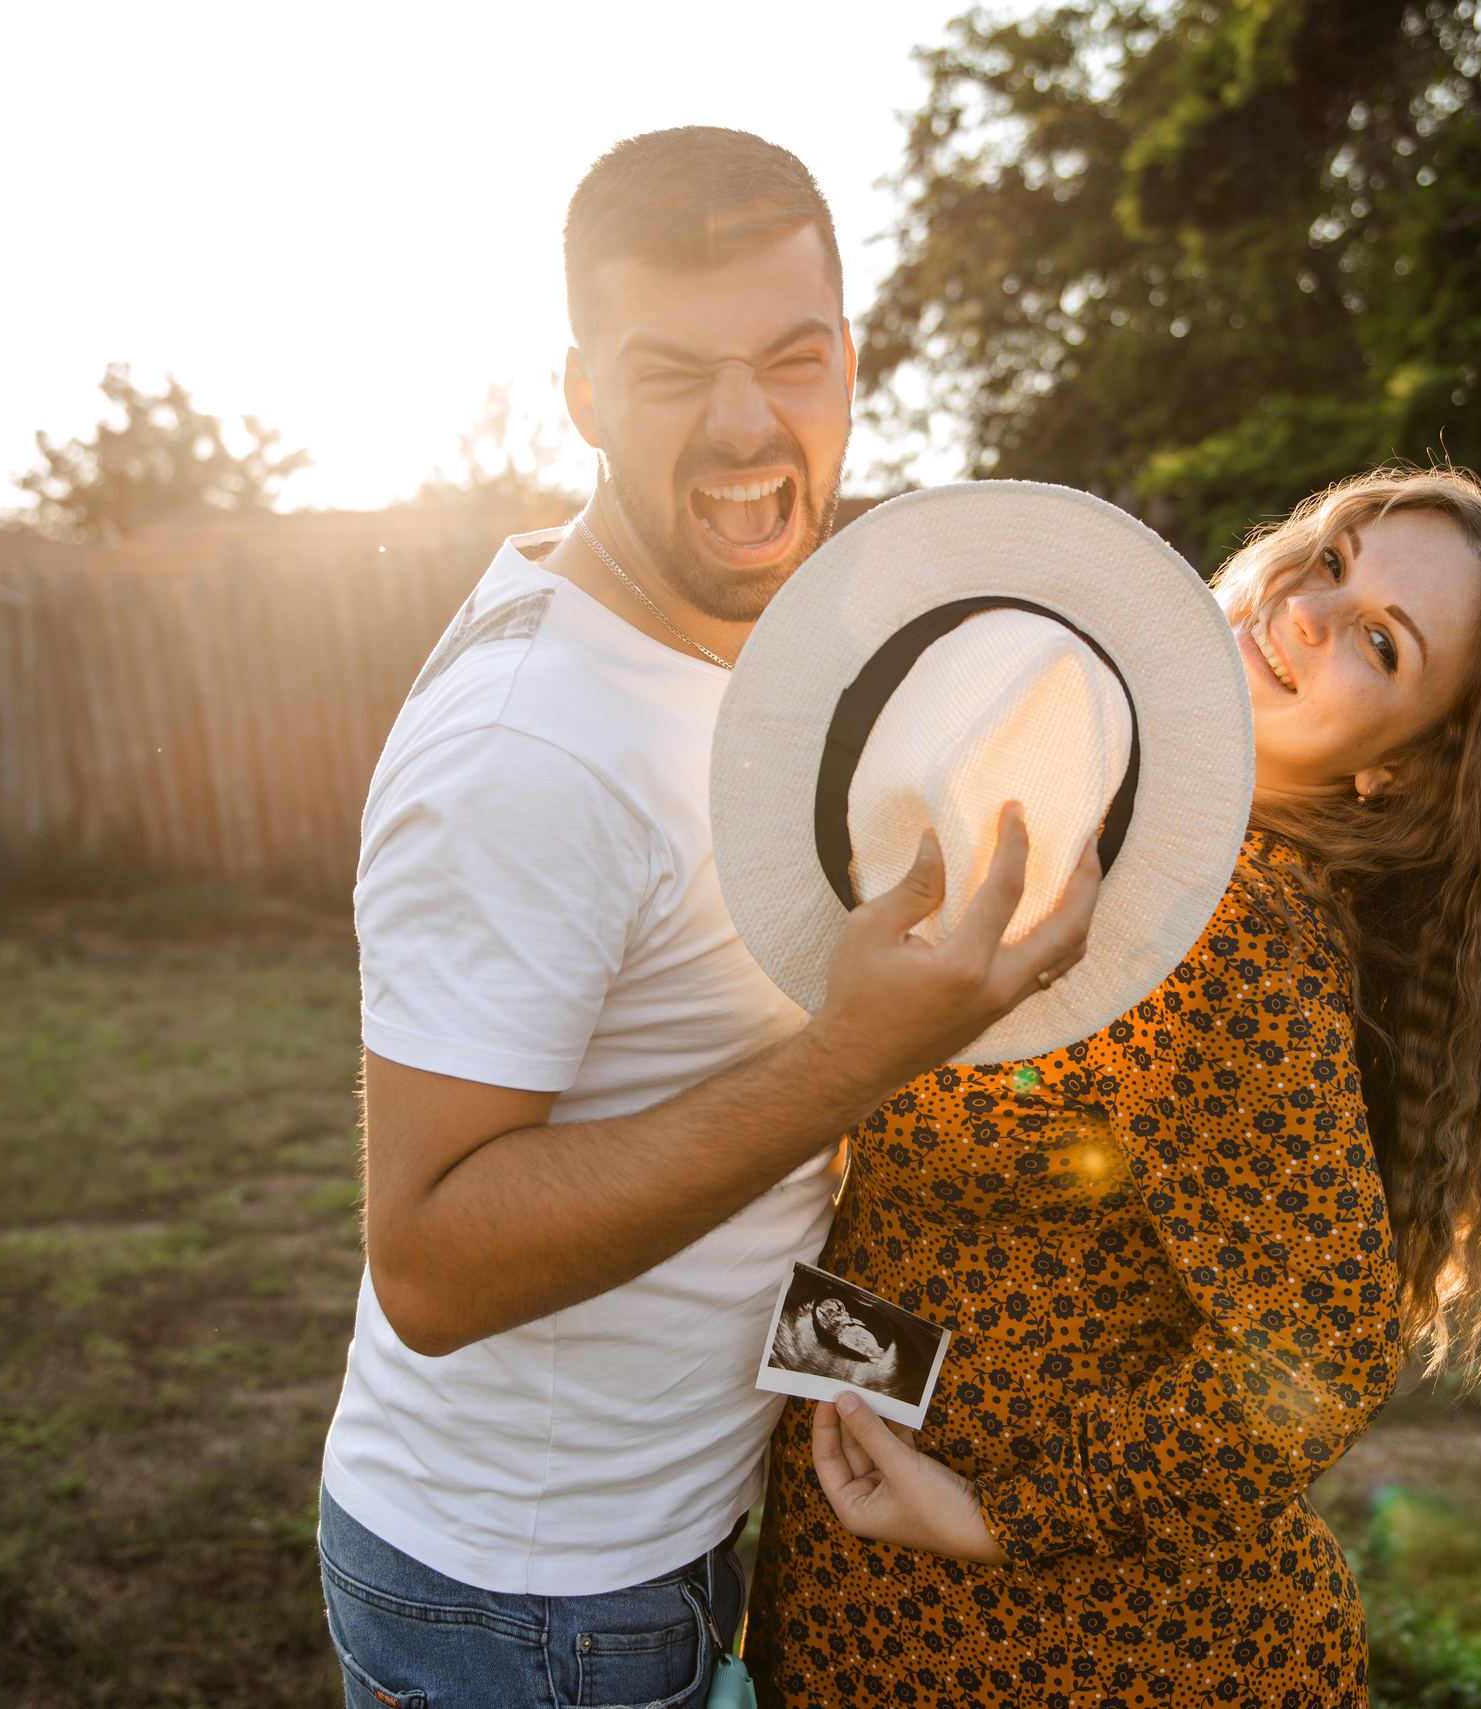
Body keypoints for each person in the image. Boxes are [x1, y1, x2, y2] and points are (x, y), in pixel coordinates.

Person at [317, 129, 1097, 1709]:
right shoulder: (529, 746)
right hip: (527, 1604)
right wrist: (855, 1058)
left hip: (661, 1543)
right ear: (587, 397)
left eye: (792, 357)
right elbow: (432, 1264)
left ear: (851, 362)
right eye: (674, 372)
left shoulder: (762, 646)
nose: (749, 424)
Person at [744, 466, 1481, 1708]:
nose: (1313, 611)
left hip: (1074, 1642)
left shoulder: (1226, 926)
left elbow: (1321, 1342)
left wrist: (1003, 1511)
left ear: (1401, 773)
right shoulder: (1124, 828)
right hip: (898, 1567)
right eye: (1329, 559)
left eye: (1380, 642)